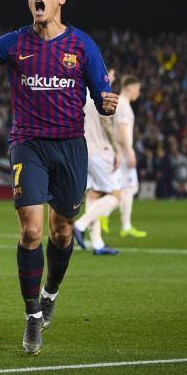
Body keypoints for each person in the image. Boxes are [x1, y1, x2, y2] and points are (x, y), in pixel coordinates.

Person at [0, 0, 119, 354]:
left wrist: (107, 102)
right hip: (28, 145)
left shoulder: (82, 46)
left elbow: (102, 94)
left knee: (61, 230)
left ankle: (50, 292)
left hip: (70, 148)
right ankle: (32, 317)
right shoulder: (16, 43)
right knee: (31, 230)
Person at [71, 74, 120, 256]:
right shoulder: (103, 99)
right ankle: (79, 225)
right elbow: (107, 126)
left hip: (85, 151)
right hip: (100, 152)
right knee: (116, 195)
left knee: (94, 194)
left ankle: (97, 243)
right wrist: (118, 151)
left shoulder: (82, 97)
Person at [114, 74, 146, 238]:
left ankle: (123, 223)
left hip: (118, 151)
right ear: (130, 88)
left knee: (124, 188)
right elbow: (122, 131)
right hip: (123, 152)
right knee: (128, 188)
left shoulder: (119, 103)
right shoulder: (123, 105)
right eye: (138, 89)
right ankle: (122, 223)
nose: (138, 93)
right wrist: (129, 152)